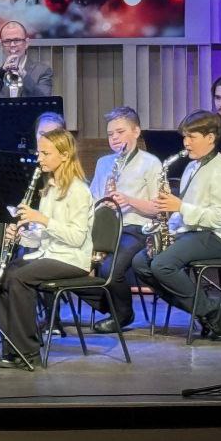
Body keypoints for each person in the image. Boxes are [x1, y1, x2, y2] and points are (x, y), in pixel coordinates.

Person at [131, 110, 221, 342]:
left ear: (210, 138)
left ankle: (209, 311)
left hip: (218, 237)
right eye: (184, 137)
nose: (186, 143)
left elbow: (219, 219)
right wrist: (167, 230)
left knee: (162, 265)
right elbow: (184, 210)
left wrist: (180, 207)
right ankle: (207, 310)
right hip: (193, 232)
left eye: (192, 137)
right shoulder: (192, 166)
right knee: (141, 262)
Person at [0, 127, 93, 369]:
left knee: (20, 279)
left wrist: (43, 219)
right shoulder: (49, 188)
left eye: (45, 153)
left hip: (72, 259)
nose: (39, 158)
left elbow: (77, 238)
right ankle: (12, 347)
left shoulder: (79, 190)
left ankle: (29, 351)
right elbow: (42, 239)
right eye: (39, 153)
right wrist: (21, 235)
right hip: (48, 254)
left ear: (64, 155)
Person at [81, 107, 160, 333]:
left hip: (135, 228)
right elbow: (92, 199)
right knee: (71, 266)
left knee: (109, 269)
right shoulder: (104, 163)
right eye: (110, 134)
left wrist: (128, 200)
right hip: (105, 228)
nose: (114, 138)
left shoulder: (151, 163)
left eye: (120, 132)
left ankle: (123, 314)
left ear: (136, 131)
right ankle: (110, 306)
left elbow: (158, 209)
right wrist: (103, 202)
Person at [0, 21, 54, 99]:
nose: (12, 45)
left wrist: (24, 76)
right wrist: (1, 74)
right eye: (7, 41)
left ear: (26, 43)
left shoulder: (43, 72)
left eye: (17, 40)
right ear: (1, 46)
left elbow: (44, 101)